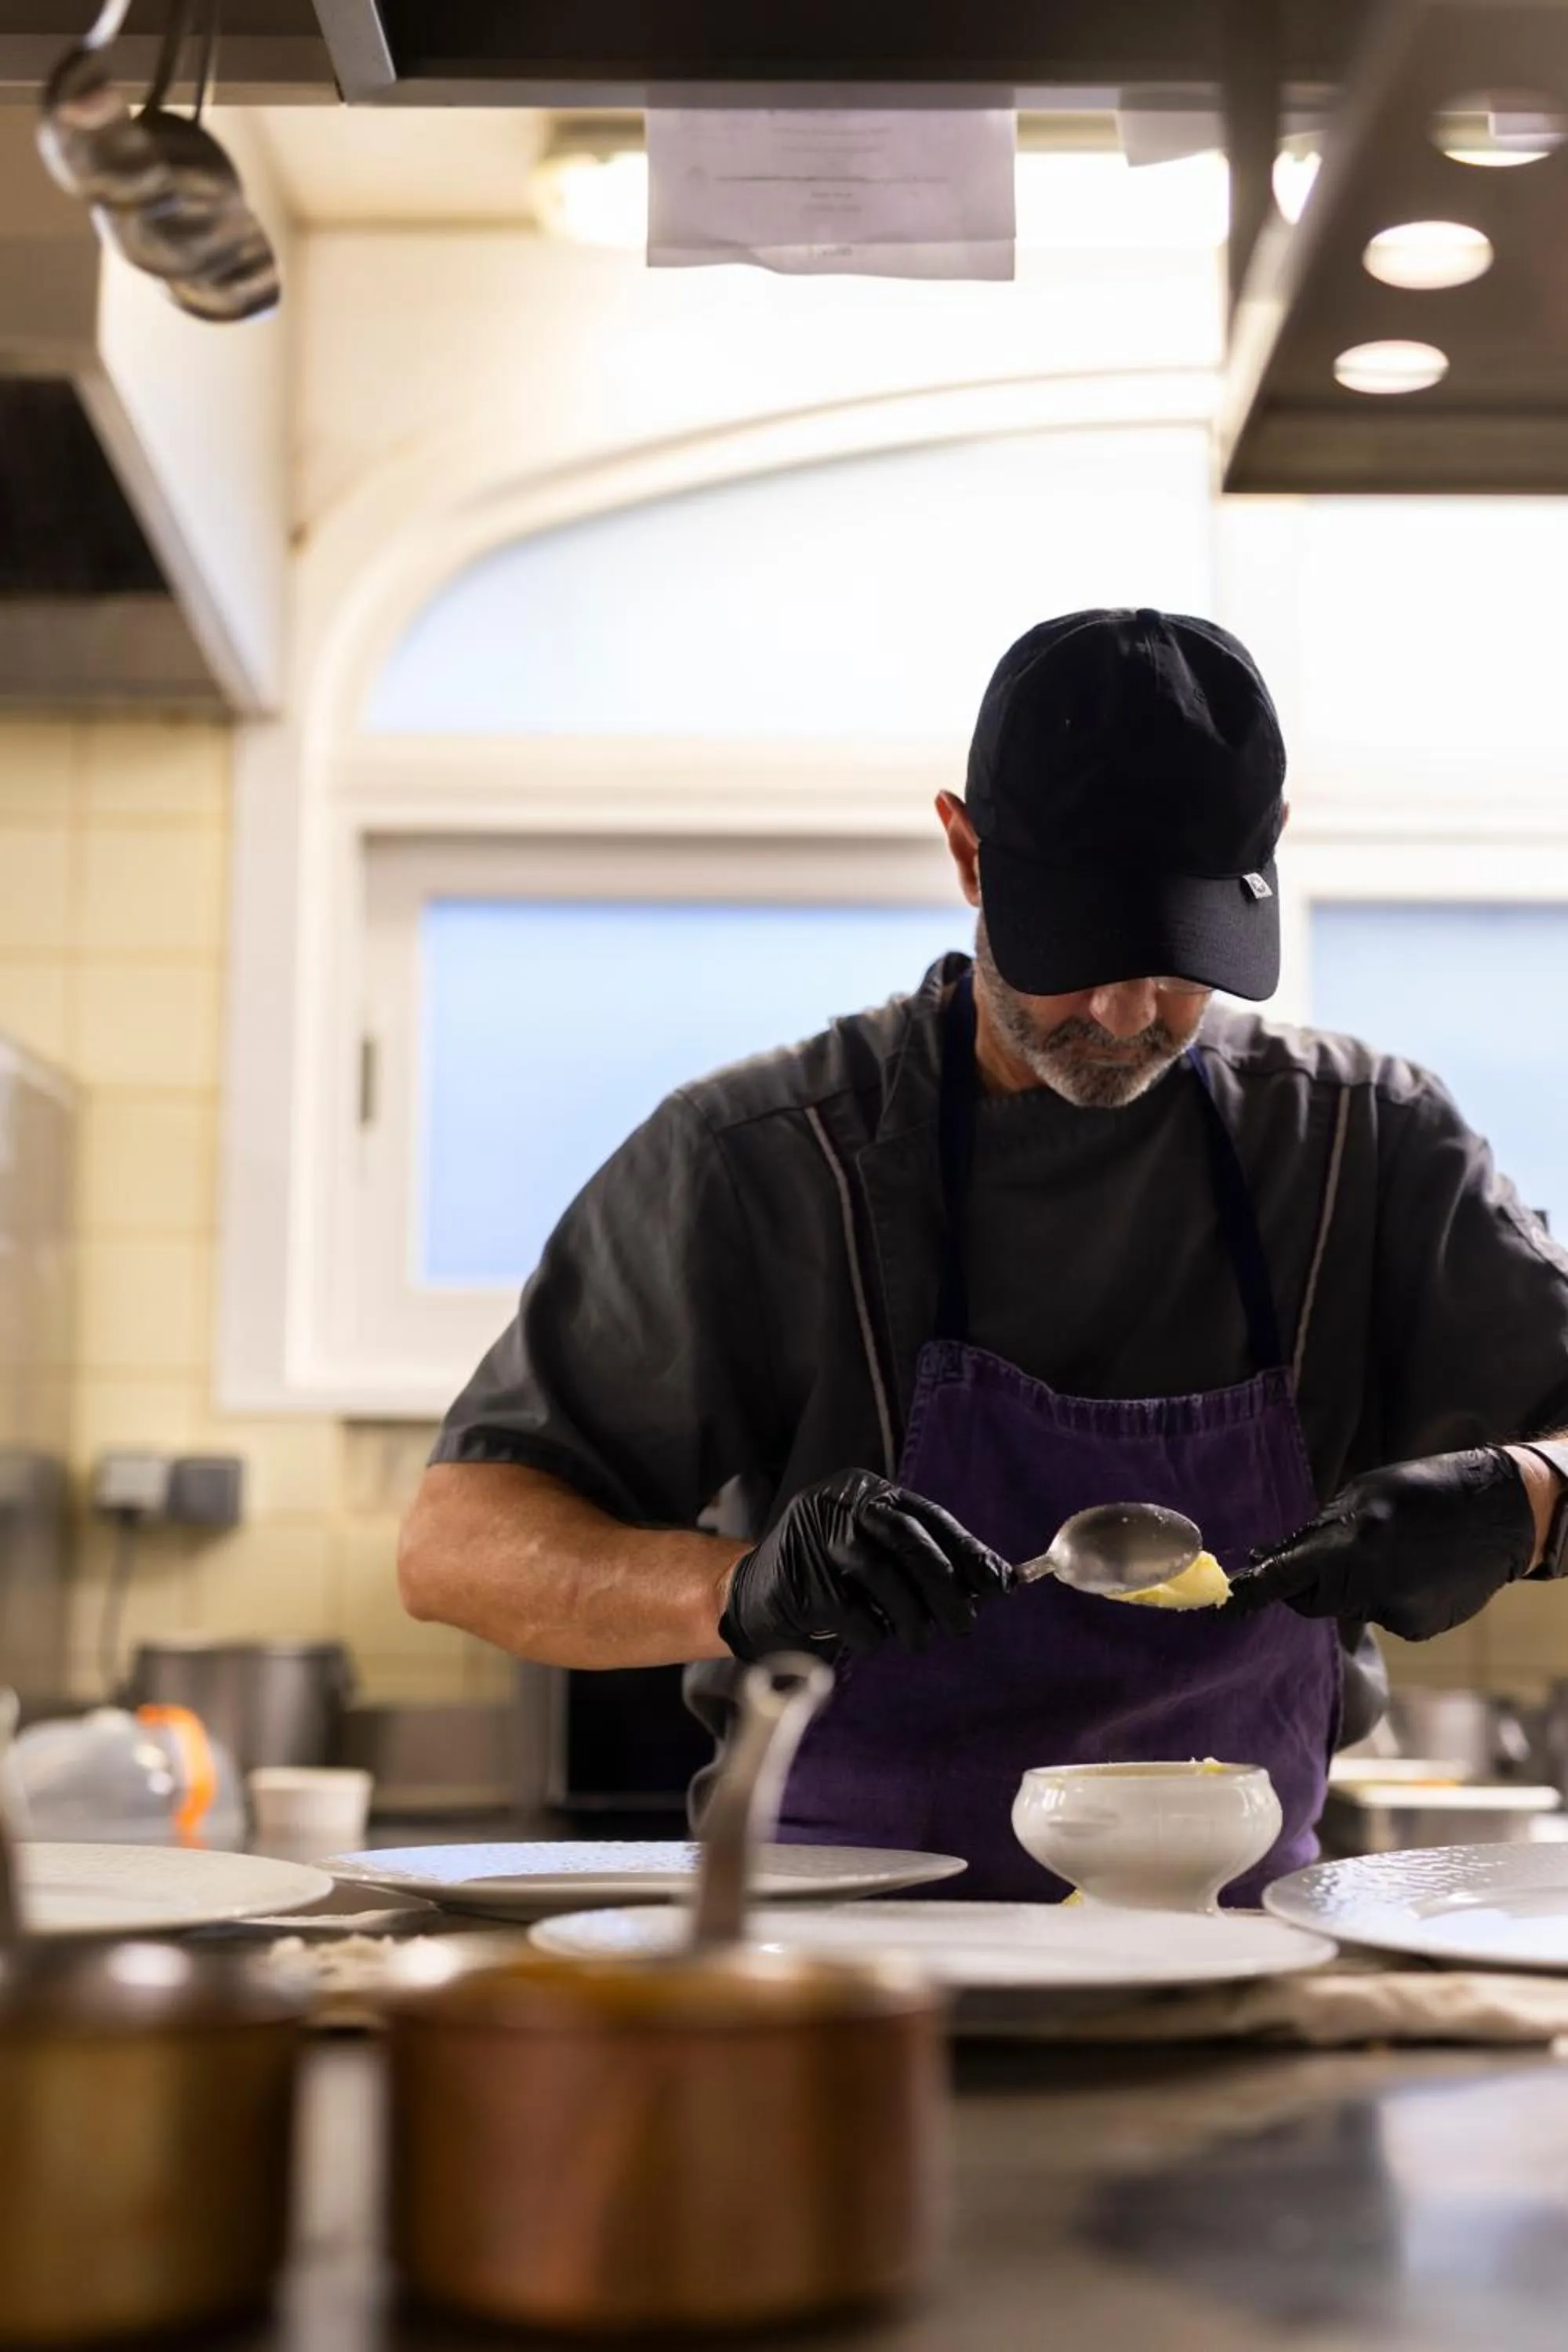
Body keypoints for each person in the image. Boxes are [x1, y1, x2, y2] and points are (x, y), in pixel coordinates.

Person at [401, 607, 1568, 1900]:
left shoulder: (1364, 1148)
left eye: (1184, 958)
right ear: (966, 854)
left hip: (1234, 1953)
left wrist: (1526, 1500)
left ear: (1268, 854)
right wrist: (741, 1588)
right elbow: (454, 1548)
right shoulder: (767, 1161)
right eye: (1081, 952)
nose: (1131, 1015)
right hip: (838, 1962)